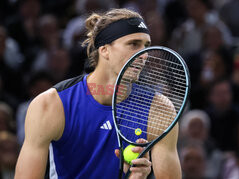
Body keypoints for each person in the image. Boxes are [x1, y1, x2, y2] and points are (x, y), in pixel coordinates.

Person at [14, 8, 181, 178]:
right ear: (104, 50)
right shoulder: (51, 105)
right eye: (133, 44)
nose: (143, 55)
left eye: (146, 46)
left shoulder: (159, 110)